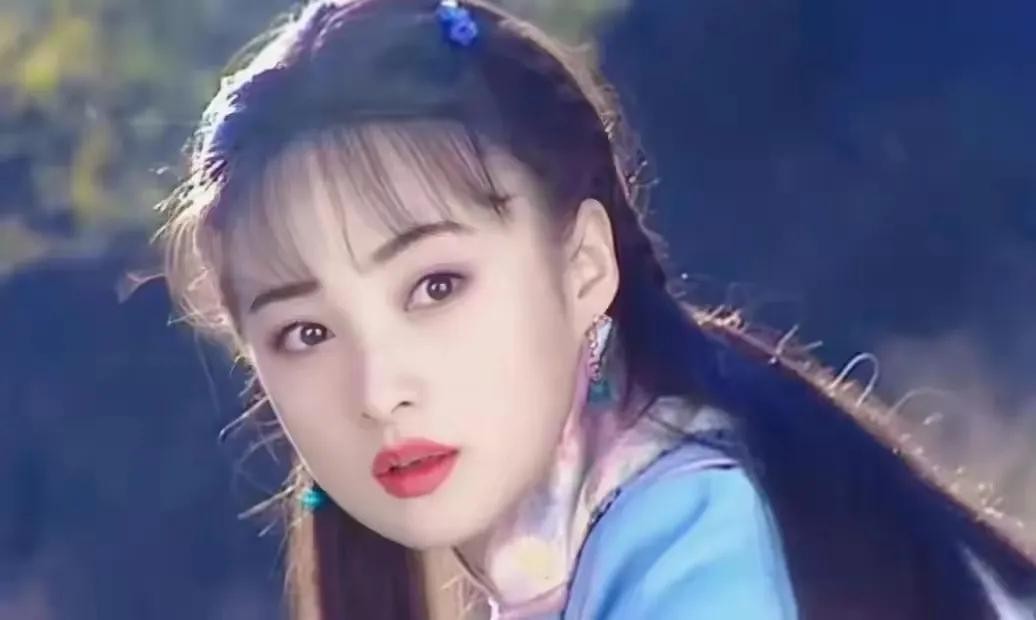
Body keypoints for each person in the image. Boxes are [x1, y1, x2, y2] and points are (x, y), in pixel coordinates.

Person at [158, 0, 1036, 617]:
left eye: (436, 286)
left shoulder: (705, 540)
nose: (378, 389)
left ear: (583, 266)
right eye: (306, 332)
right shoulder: (614, 530)